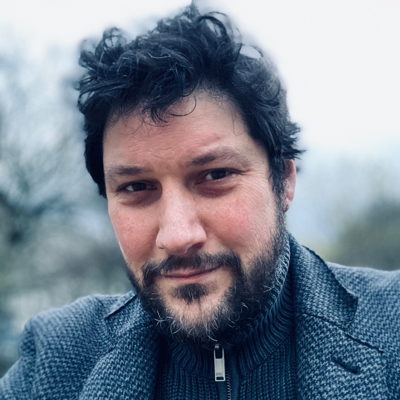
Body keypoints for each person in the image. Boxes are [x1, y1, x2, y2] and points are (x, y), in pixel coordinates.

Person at [1, 3, 400, 399]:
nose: (177, 236)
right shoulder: (55, 359)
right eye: (137, 187)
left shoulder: (392, 325)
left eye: (215, 176)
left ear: (283, 180)